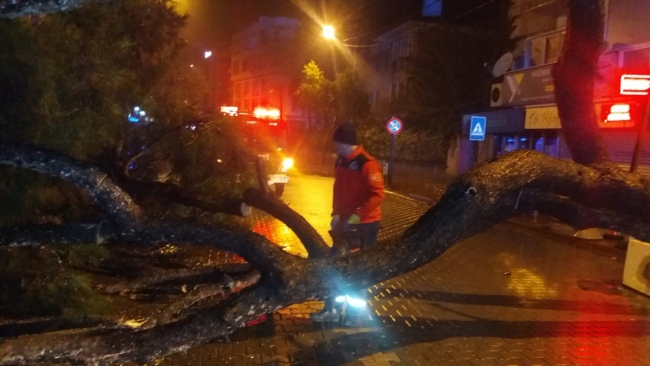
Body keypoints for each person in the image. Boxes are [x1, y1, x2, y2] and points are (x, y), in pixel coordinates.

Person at [310, 123, 385, 325]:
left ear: (344, 143)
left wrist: (358, 215)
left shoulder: (367, 164)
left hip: (365, 225)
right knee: (335, 266)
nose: (334, 147)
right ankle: (332, 309)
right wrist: (335, 214)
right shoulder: (341, 163)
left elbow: (378, 194)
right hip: (344, 223)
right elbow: (337, 189)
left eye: (336, 143)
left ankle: (354, 314)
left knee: (358, 269)